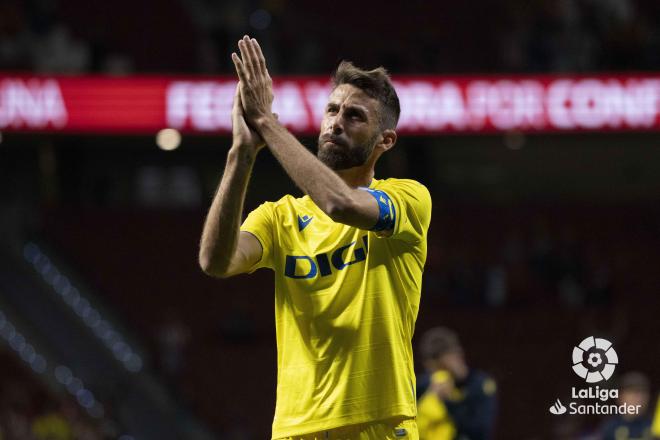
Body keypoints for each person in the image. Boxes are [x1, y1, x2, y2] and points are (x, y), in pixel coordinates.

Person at [199, 35, 432, 440]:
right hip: (296, 429)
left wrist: (267, 123)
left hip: (378, 424)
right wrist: (241, 153)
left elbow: (340, 204)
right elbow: (216, 262)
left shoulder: (408, 199)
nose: (336, 122)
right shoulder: (279, 217)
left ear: (385, 141)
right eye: (331, 110)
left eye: (355, 116)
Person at [417, 327, 496, 440]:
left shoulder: (480, 385)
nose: (437, 374)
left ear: (457, 356)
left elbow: (479, 431)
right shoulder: (423, 385)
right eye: (433, 369)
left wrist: (448, 401)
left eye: (442, 367)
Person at [599, 372, 653, 440]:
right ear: (620, 397)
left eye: (642, 393)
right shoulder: (610, 426)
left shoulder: (653, 424)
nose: (638, 399)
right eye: (632, 393)